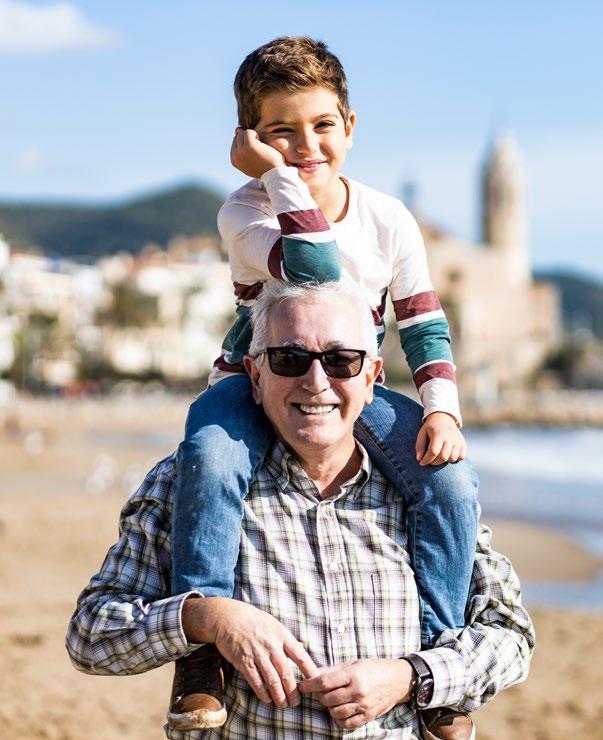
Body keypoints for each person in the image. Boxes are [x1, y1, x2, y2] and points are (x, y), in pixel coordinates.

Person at [66, 281, 535, 739]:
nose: (316, 382)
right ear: (255, 376)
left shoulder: (424, 492)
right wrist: (209, 619)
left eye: (341, 360)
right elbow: (91, 635)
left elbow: (510, 635)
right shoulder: (192, 483)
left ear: (370, 379)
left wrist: (411, 676)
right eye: (289, 360)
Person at [170, 37, 476, 731]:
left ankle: (440, 657)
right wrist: (277, 176)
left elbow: (422, 324)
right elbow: (313, 263)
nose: (306, 145)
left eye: (322, 125)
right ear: (250, 139)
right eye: (281, 130)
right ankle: (201, 655)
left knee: (452, 482)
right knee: (210, 456)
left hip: (351, 387)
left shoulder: (388, 219)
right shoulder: (244, 210)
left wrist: (441, 410)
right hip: (260, 380)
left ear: (351, 125)